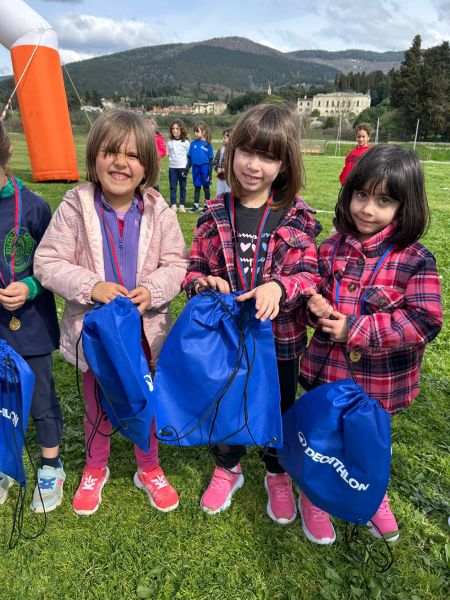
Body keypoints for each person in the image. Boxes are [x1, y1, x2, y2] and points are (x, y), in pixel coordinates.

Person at [34, 109, 189, 516]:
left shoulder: (160, 211)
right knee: (96, 404)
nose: (121, 163)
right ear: (94, 157)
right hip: (97, 337)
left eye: (132, 155)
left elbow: (177, 264)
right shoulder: (75, 205)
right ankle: (95, 466)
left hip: (144, 336)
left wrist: (153, 290)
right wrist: (92, 286)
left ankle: (148, 467)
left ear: (147, 166)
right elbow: (47, 262)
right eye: (110, 152)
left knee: (144, 403)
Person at [183, 104, 321, 524]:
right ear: (231, 151)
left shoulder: (297, 216)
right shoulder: (212, 213)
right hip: (226, 341)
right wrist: (204, 283)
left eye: (268, 156)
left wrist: (279, 286)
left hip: (279, 342)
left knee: (279, 407)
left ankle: (277, 471)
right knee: (227, 402)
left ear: (285, 164)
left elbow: (309, 273)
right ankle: (228, 466)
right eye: (246, 151)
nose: (253, 165)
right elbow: (194, 270)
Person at [299, 144, 443, 545]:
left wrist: (357, 329)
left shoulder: (415, 259)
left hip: (379, 386)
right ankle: (314, 496)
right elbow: (311, 301)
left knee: (369, 445)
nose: (367, 209)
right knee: (322, 439)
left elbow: (425, 320)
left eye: (383, 200)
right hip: (327, 375)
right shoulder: (329, 249)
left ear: (405, 206)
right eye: (361, 195)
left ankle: (372, 494)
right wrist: (315, 307)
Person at [0, 122, 64, 513]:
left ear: (7, 155)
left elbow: (53, 264)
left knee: (40, 395)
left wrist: (31, 286)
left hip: (31, 323)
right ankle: (5, 463)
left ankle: (51, 465)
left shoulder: (35, 207)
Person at [184, 121, 214, 212]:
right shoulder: (193, 144)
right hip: (195, 168)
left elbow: (210, 161)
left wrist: (209, 174)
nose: (195, 133)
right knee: (197, 187)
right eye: (195, 131)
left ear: (203, 132)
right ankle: (195, 206)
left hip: (205, 168)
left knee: (206, 187)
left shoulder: (208, 145)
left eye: (197, 131)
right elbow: (189, 159)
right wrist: (186, 170)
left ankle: (206, 206)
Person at [167, 119, 190, 213]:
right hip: (172, 168)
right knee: (173, 187)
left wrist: (186, 169)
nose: (175, 130)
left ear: (181, 130)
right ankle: (173, 204)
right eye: (173, 129)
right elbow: (169, 154)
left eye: (177, 128)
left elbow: (188, 156)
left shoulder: (186, 143)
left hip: (182, 168)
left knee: (182, 187)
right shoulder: (170, 142)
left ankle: (182, 205)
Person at [147, 117, 166, 192]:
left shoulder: (159, 138)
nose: (149, 126)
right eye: (147, 125)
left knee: (154, 183)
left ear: (154, 126)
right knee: (145, 183)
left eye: (151, 124)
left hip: (155, 164)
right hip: (145, 164)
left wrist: (154, 155)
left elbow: (163, 151)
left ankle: (157, 198)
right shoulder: (143, 138)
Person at [213, 128, 231, 196]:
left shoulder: (234, 151)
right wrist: (217, 168)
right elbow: (215, 161)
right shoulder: (221, 150)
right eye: (223, 137)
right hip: (221, 178)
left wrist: (226, 169)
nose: (223, 139)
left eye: (225, 138)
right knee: (219, 195)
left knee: (228, 196)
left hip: (230, 180)